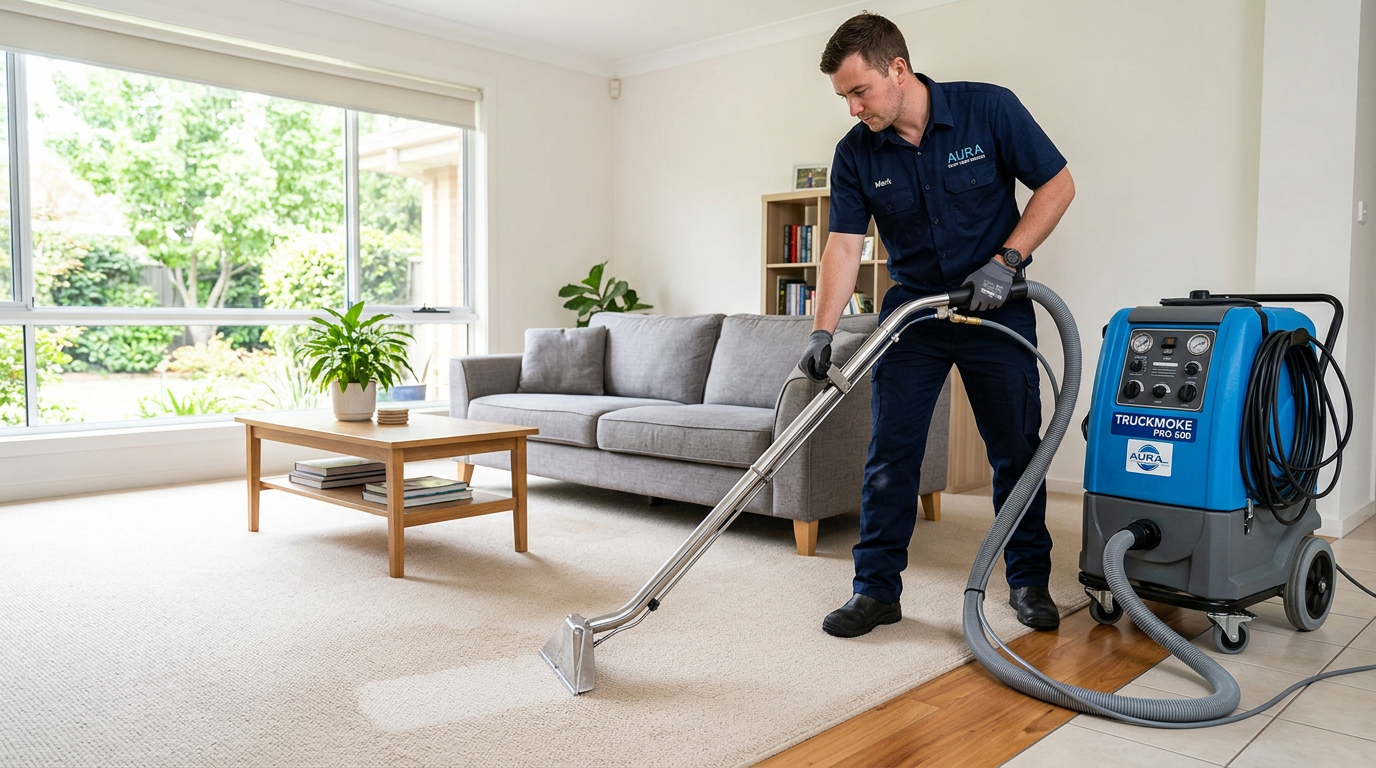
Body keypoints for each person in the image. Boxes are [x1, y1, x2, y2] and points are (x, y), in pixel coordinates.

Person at [799, 13, 1076, 637]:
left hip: (996, 307)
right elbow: (844, 245)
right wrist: (822, 331)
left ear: (897, 69)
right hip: (914, 316)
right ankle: (876, 590)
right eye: (844, 97)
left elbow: (1057, 185)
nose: (853, 109)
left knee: (1015, 449)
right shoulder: (855, 152)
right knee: (891, 454)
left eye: (859, 91)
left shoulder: (989, 110)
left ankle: (1028, 580)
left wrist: (1006, 262)